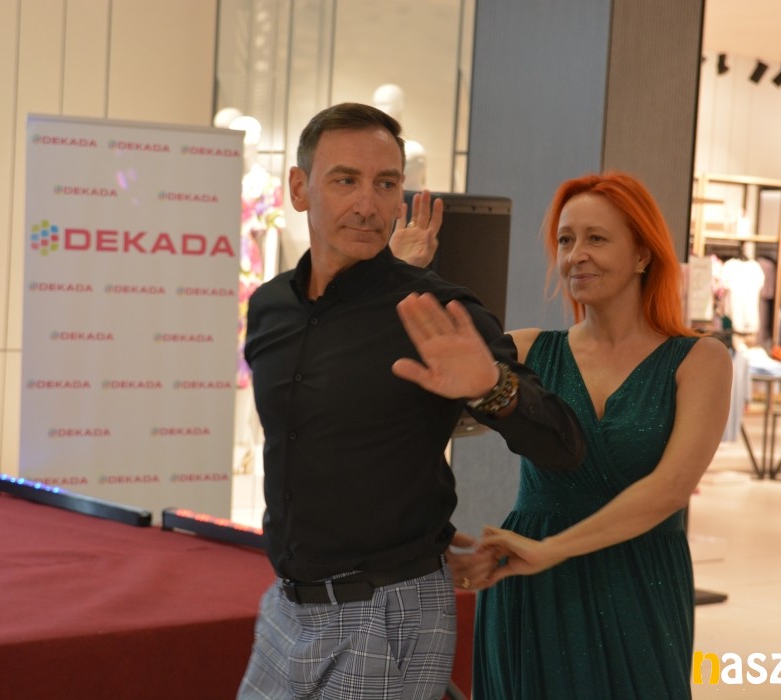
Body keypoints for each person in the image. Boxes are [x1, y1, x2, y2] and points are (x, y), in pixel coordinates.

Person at [238, 102, 585, 699]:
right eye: (345, 180)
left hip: (387, 612)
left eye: (385, 183)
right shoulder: (271, 308)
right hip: (287, 607)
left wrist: (490, 386)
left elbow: (564, 444)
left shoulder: (439, 312)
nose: (367, 204)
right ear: (299, 189)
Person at [470, 172, 733, 699]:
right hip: (532, 587)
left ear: (642, 255)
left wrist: (553, 549)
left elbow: (670, 488)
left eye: (596, 238)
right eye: (566, 240)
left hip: (638, 582)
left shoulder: (699, 360)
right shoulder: (525, 351)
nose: (576, 255)